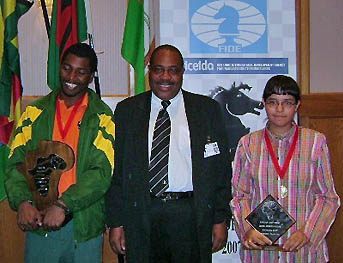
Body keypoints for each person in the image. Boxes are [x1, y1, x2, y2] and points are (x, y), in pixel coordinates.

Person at [106, 44, 232, 263]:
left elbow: (220, 171)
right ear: (149, 71)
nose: (165, 77)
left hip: (189, 215)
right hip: (142, 213)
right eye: (158, 69)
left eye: (173, 70)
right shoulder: (127, 111)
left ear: (182, 72)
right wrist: (116, 222)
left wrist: (220, 218)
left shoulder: (206, 110)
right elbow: (117, 172)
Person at [5, 43, 115, 263]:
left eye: (81, 72)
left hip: (83, 225)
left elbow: (101, 173)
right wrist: (23, 202)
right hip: (40, 221)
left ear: (91, 76)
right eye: (66, 68)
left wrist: (64, 205)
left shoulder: (102, 116)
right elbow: (15, 163)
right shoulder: (34, 113)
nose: (71, 76)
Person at [231, 75, 340, 263]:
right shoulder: (248, 144)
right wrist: (247, 229)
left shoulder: (315, 143)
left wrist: (308, 233)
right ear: (264, 103)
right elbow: (240, 196)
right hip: (261, 252)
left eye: (287, 103)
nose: (279, 109)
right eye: (273, 102)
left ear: (297, 105)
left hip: (304, 252)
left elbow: (328, 198)